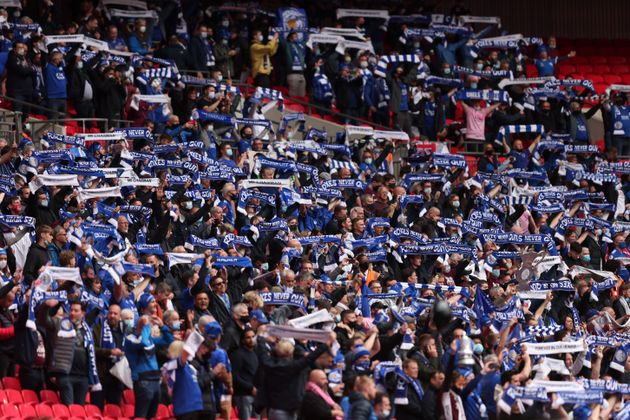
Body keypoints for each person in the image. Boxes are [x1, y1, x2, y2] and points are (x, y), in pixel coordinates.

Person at [42, 300, 100, 405]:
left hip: (83, 377)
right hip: (65, 375)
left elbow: (91, 354)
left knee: (79, 410)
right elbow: (43, 320)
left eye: (76, 311)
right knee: (69, 407)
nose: (72, 313)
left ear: (83, 313)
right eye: (71, 310)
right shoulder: (60, 323)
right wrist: (46, 306)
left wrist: (91, 377)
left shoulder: (87, 330)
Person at [125, 315, 161, 419]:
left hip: (155, 380)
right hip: (143, 381)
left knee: (152, 416)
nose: (148, 329)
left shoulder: (150, 339)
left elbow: (168, 340)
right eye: (145, 327)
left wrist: (163, 326)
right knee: (141, 416)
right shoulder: (130, 340)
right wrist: (146, 326)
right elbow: (144, 343)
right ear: (138, 327)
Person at [230, 327, 259, 420]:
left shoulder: (254, 353)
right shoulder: (237, 355)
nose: (251, 340)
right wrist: (250, 388)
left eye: (253, 337)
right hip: (243, 395)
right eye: (248, 337)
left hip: (255, 395)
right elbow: (234, 376)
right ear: (242, 340)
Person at [43, 51, 67, 119]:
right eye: (60, 58)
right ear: (54, 58)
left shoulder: (61, 68)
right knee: (53, 120)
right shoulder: (48, 67)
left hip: (63, 97)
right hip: (53, 98)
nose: (61, 60)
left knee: (62, 122)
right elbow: (43, 58)